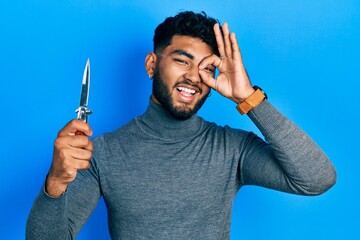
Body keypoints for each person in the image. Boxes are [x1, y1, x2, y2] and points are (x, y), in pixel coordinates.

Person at [26, 11, 336, 239]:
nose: (192, 76)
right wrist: (55, 182)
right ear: (152, 64)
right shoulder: (104, 153)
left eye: (205, 68)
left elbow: (317, 179)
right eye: (181, 60)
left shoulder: (232, 149)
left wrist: (249, 98)